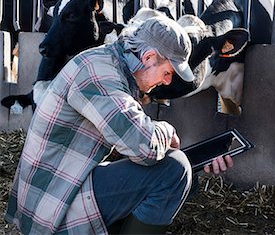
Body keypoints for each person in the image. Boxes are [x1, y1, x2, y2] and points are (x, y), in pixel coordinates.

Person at [5, 15, 233, 234]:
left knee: (179, 172)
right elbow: (145, 148)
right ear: (148, 58)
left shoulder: (112, 65)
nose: (167, 81)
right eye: (167, 72)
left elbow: (132, 153)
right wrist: (166, 129)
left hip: (61, 191)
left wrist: (196, 169)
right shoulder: (100, 75)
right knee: (174, 169)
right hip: (52, 209)